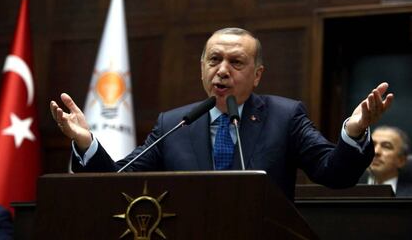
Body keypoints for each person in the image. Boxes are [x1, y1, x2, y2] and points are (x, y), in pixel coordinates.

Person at [50, 27, 394, 201]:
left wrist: (355, 128)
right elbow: (117, 182)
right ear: (202, 68)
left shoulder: (285, 116)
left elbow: (334, 174)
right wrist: (85, 142)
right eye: (214, 60)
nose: (223, 71)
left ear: (257, 75)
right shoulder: (173, 123)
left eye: (236, 62)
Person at [359, 126, 412, 196]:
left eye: (386, 146)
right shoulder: (348, 188)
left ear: (401, 160)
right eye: (372, 145)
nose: (376, 151)